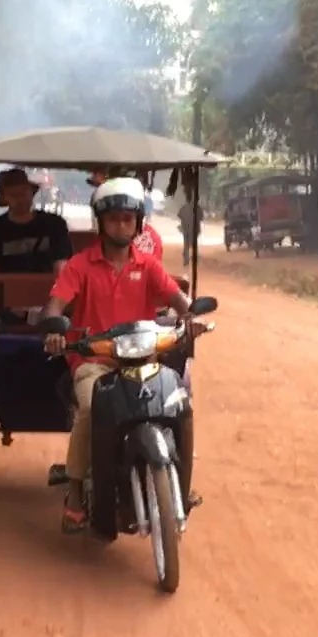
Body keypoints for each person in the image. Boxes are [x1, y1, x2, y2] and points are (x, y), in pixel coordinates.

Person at [42, 177, 206, 534]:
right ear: (101, 222)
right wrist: (56, 328)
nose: (121, 225)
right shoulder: (80, 265)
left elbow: (179, 301)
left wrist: (191, 317)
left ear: (138, 223)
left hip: (144, 361)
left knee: (179, 402)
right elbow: (56, 302)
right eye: (114, 219)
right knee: (90, 409)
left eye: (128, 219)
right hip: (94, 363)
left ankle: (179, 482)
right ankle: (73, 493)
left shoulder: (147, 265)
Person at [0, 167, 74, 294]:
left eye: (23, 193)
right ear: (5, 198)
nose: (20, 199)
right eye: (13, 195)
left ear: (31, 192)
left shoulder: (54, 225)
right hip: (5, 302)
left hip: (48, 298)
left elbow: (61, 268)